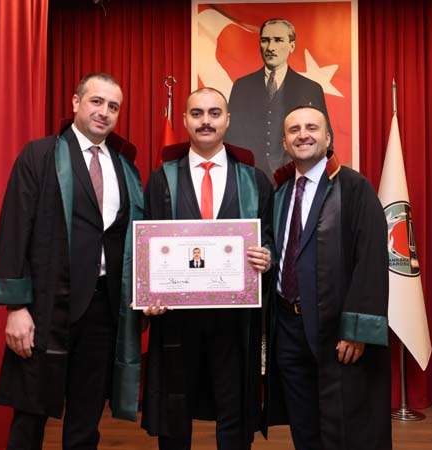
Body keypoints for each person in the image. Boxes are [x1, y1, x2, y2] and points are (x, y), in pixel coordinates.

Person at [0, 72, 144, 450]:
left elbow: (133, 239)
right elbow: (14, 229)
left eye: (113, 107)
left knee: (86, 422)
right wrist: (16, 307)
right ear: (76, 103)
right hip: (45, 307)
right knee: (29, 419)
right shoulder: (40, 155)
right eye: (96, 101)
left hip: (103, 309)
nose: (104, 112)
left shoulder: (126, 168)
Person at [141, 87, 274, 450]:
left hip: (234, 321)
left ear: (227, 120)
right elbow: (144, 245)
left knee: (234, 410)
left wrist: (267, 256)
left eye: (214, 113)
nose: (206, 121)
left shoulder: (254, 180)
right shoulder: (162, 179)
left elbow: (271, 239)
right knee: (175, 409)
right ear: (185, 120)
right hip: (176, 319)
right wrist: (147, 290)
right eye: (197, 113)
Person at [263, 105, 391, 449]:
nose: (303, 135)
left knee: (345, 426)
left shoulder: (354, 188)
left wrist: (357, 328)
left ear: (328, 138)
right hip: (288, 327)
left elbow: (372, 259)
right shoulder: (280, 193)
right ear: (285, 143)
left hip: (335, 329)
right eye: (294, 130)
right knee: (303, 423)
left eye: (312, 128)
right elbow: (279, 250)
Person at [225, 18, 333, 181]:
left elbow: (326, 143)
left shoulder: (311, 88)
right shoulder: (242, 86)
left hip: (296, 181)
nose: (270, 47)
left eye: (278, 40)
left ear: (292, 45)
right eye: (265, 40)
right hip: (251, 180)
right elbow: (231, 139)